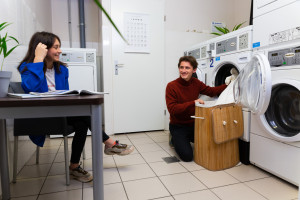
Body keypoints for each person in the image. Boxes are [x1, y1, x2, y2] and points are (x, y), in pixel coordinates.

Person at [18, 31, 134, 182]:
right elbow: (32, 90)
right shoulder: (27, 68)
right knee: (85, 116)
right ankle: (109, 143)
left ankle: (74, 167)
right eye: (56, 47)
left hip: (60, 114)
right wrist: (38, 59)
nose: (60, 50)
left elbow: (64, 96)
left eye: (59, 47)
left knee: (82, 123)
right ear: (43, 48)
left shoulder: (62, 70)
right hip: (41, 118)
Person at [165, 56, 234, 162]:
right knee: (187, 157)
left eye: (187, 68)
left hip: (194, 124)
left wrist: (229, 84)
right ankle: (174, 138)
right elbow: (173, 109)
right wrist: (193, 102)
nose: (183, 70)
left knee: (211, 143)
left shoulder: (196, 83)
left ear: (194, 70)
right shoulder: (171, 86)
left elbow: (211, 91)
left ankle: (185, 139)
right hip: (178, 126)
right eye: (181, 67)